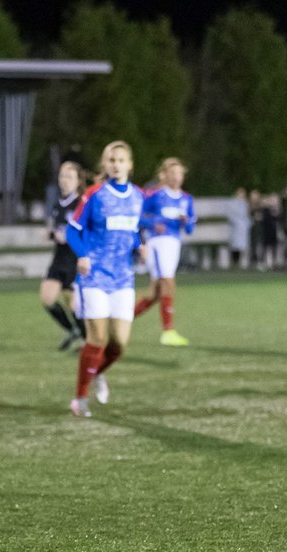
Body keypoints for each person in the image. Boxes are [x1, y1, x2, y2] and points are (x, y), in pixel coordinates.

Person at [65, 141, 144, 418]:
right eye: (111, 160)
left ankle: (94, 372)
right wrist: (83, 254)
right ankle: (80, 398)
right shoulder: (94, 195)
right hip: (94, 276)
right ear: (105, 165)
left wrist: (139, 246)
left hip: (123, 278)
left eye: (121, 160)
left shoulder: (137, 197)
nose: (116, 164)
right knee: (97, 338)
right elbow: (73, 230)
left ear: (129, 165)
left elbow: (132, 231)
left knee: (119, 345)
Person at [134, 157, 194, 347]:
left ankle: (121, 320)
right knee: (168, 282)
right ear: (165, 175)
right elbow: (138, 217)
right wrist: (153, 223)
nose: (176, 177)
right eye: (173, 173)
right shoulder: (155, 195)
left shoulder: (186, 199)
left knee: (155, 293)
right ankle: (168, 332)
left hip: (174, 243)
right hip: (157, 243)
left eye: (179, 173)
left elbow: (191, 228)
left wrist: (186, 222)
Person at [40, 160, 86, 350]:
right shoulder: (58, 204)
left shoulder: (81, 204)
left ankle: (87, 340)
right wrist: (51, 234)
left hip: (75, 259)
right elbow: (57, 230)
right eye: (62, 176)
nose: (64, 180)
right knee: (47, 298)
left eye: (69, 176)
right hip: (59, 258)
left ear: (78, 181)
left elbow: (84, 231)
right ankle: (72, 330)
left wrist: (68, 236)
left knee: (75, 306)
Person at [226, 187, 251, 268]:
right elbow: (230, 215)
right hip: (236, 227)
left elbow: (246, 215)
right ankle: (234, 262)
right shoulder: (232, 203)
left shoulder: (245, 203)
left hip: (243, 228)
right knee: (235, 246)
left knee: (241, 246)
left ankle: (239, 262)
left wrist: (247, 223)